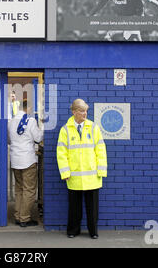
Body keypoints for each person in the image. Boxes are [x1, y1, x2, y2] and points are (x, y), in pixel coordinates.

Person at [56, 99, 107, 239]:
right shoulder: (65, 130)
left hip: (92, 176)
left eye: (86, 111)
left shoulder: (93, 127)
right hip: (74, 176)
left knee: (92, 208)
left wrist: (101, 171)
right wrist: (65, 172)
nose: (85, 114)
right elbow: (61, 153)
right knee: (74, 207)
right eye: (82, 111)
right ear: (74, 112)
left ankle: (93, 231)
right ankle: (73, 231)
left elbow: (101, 150)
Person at [8, 100, 43, 227]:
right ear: (27, 108)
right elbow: (38, 138)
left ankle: (18, 216)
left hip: (15, 160)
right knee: (29, 190)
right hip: (28, 160)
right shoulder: (31, 121)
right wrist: (42, 127)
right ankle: (25, 218)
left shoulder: (11, 122)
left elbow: (8, 140)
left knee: (19, 189)